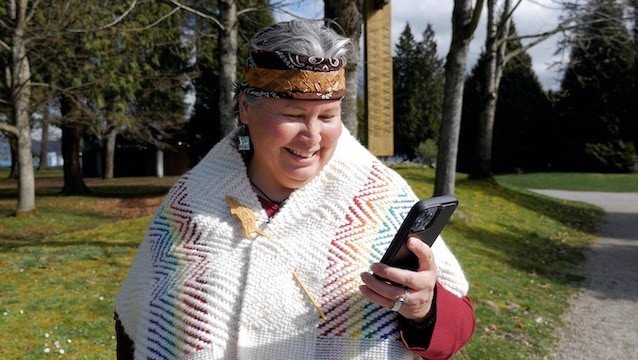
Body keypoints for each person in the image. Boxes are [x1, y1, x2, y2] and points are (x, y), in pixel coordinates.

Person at [115, 19, 474, 360]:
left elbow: (456, 330)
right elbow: (137, 326)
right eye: (293, 114)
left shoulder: (379, 201)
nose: (313, 136)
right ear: (245, 107)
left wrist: (423, 309)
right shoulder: (189, 206)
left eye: (328, 116)